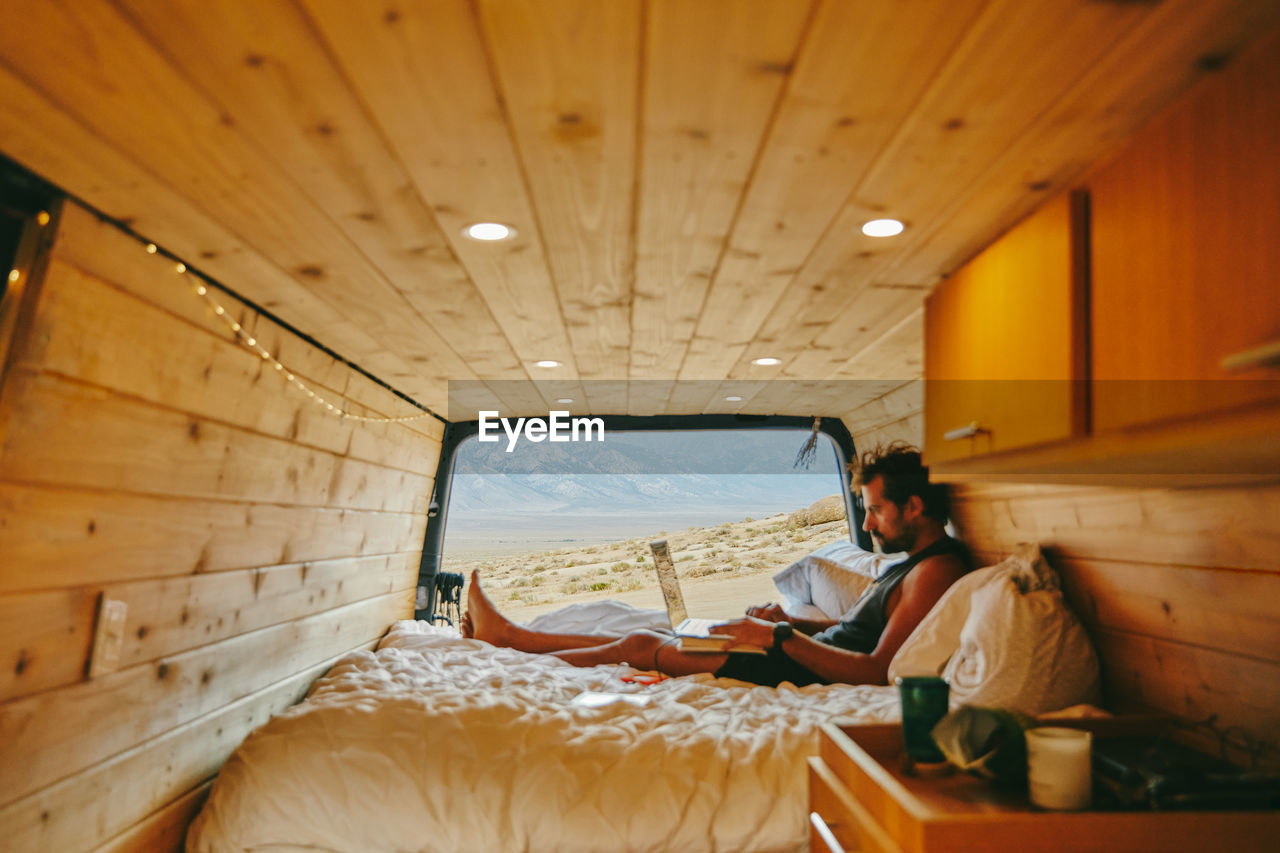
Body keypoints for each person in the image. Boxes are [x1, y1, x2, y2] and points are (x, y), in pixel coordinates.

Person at [462, 443, 971, 687]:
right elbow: (854, 632)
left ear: (915, 507)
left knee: (641, 644)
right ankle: (513, 638)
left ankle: (512, 645)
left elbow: (878, 668)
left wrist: (778, 640)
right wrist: (790, 621)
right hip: (801, 649)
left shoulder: (936, 572)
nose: (870, 525)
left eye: (876, 510)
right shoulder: (913, 564)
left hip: (796, 664)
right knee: (650, 634)